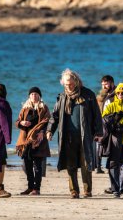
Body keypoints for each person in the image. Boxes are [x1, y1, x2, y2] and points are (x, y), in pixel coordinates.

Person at [46, 69, 103, 199]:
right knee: (70, 164)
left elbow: (97, 115)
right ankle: (74, 191)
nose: (69, 87)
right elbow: (54, 116)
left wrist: (99, 132)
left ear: (76, 81)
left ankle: (87, 190)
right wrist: (49, 130)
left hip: (85, 135)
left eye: (71, 84)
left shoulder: (88, 95)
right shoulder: (62, 97)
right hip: (68, 136)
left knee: (85, 163)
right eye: (66, 85)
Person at [16, 87, 51, 196]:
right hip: (26, 140)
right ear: (29, 96)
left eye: (36, 94)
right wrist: (22, 123)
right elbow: (17, 121)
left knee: (37, 165)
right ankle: (30, 187)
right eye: (31, 94)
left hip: (38, 140)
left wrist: (42, 131)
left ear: (39, 96)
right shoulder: (25, 108)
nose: (34, 96)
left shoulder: (43, 107)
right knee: (27, 164)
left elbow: (48, 121)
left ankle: (37, 188)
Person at [95, 75, 116, 174]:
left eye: (106, 84)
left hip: (111, 125)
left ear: (111, 82)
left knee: (103, 144)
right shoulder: (106, 95)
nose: (104, 86)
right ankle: (99, 167)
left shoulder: (116, 94)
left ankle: (107, 167)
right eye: (103, 85)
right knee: (100, 144)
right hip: (103, 123)